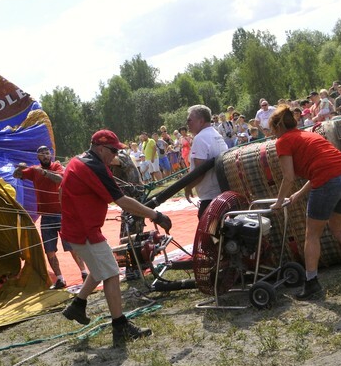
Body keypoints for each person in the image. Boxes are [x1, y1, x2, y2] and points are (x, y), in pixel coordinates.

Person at [59, 130, 173, 344]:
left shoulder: (79, 161)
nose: (116, 155)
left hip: (77, 227)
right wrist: (155, 214)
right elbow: (122, 202)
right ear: (100, 148)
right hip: (85, 231)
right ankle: (120, 327)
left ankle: (77, 306)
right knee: (111, 273)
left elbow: (62, 191)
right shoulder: (94, 167)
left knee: (99, 267)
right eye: (113, 151)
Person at [268, 106, 341, 299]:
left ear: (278, 127)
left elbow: (288, 177)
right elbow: (323, 168)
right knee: (339, 228)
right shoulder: (309, 136)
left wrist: (278, 202)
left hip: (329, 181)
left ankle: (311, 283)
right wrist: (298, 196)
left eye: (271, 129)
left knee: (312, 235)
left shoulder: (283, 141)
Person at [14, 145, 70, 289]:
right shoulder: (34, 170)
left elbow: (59, 179)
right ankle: (60, 279)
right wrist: (20, 168)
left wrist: (44, 173)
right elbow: (16, 175)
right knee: (49, 250)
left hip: (60, 214)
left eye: (47, 153)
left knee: (72, 246)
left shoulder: (56, 166)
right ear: (38, 157)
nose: (45, 156)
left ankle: (84, 273)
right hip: (46, 216)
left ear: (50, 155)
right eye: (42, 154)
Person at [183, 105, 228, 218]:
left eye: (189, 120)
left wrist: (188, 187)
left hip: (209, 198)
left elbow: (200, 172)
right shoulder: (216, 135)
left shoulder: (200, 138)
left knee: (207, 234)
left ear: (201, 121)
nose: (187, 123)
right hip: (221, 193)